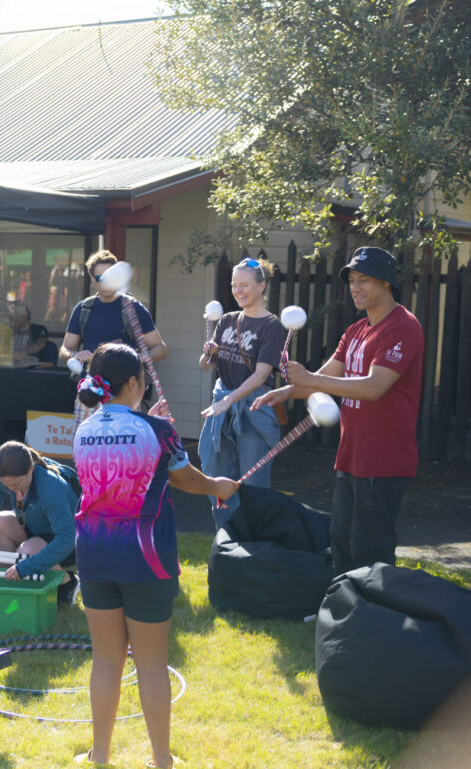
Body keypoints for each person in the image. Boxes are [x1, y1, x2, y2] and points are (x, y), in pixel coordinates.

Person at [73, 342, 237, 768]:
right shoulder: (158, 431)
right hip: (145, 559)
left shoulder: (83, 429)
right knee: (150, 663)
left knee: (105, 659)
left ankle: (101, 756)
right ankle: (161, 760)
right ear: (134, 383)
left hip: (93, 555)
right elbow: (187, 479)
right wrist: (219, 486)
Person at [253, 247, 424, 575]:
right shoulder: (356, 331)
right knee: (342, 539)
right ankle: (344, 610)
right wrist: (287, 390)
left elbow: (374, 387)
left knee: (370, 546)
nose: (356, 288)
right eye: (353, 281)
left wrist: (309, 379)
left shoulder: (402, 327)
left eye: (365, 280)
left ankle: (374, 617)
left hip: (385, 459)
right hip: (352, 456)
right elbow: (326, 378)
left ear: (387, 283)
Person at [197, 257, 287, 526]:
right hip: (222, 408)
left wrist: (230, 400)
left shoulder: (272, 326)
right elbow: (206, 367)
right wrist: (208, 355)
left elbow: (262, 374)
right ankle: (225, 537)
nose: (238, 290)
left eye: (244, 285)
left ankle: (255, 543)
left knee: (252, 483)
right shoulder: (226, 320)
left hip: (253, 412)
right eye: (235, 285)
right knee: (218, 477)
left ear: (262, 286)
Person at [60, 250, 167, 426]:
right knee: (88, 451)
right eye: (100, 278)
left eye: (110, 276)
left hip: (126, 392)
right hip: (90, 393)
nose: (106, 282)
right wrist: (74, 355)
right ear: (92, 279)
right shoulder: (83, 309)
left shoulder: (133, 309)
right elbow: (64, 350)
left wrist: (136, 358)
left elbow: (160, 349)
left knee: (127, 450)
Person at [0, 441, 79, 603]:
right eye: (7, 485)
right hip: (33, 529)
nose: (13, 489)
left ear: (31, 469)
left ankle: (67, 582)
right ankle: (11, 584)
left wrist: (25, 567)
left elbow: (67, 540)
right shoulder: (3, 478)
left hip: (69, 543)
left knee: (28, 549)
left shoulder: (51, 486)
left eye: (17, 484)